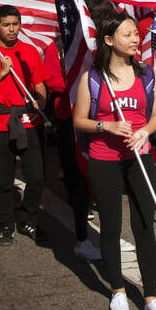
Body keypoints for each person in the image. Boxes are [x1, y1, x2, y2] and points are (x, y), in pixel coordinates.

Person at [73, 12, 156, 310]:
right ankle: (117, 289)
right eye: (128, 34)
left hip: (139, 157)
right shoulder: (92, 77)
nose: (135, 39)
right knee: (111, 226)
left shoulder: (147, 75)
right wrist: (107, 126)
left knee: (144, 224)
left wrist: (145, 131)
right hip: (104, 159)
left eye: (135, 34)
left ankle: (151, 296)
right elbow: (79, 121)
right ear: (108, 40)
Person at [0, 5, 50, 247]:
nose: (11, 29)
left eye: (15, 24)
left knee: (37, 177)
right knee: (2, 179)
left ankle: (28, 218)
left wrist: (40, 101)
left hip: (28, 120)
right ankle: (6, 222)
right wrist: (2, 73)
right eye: (6, 25)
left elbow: (40, 86)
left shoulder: (29, 51)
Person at [44, 34, 101, 259]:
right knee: (73, 166)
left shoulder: (94, 42)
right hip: (67, 114)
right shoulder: (56, 46)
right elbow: (52, 81)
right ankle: (79, 207)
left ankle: (91, 199)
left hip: (96, 114)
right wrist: (80, 84)